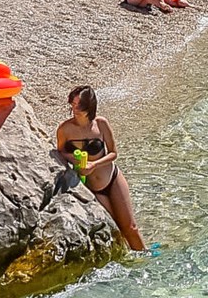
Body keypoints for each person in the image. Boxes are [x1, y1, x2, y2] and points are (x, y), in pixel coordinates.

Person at [58, 85, 147, 252]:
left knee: (131, 227)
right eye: (73, 104)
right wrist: (74, 160)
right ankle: (130, 260)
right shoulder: (65, 129)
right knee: (116, 231)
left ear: (89, 106)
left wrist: (94, 164)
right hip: (93, 188)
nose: (75, 109)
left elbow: (113, 153)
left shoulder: (101, 124)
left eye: (79, 105)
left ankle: (146, 256)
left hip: (112, 178)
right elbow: (60, 152)